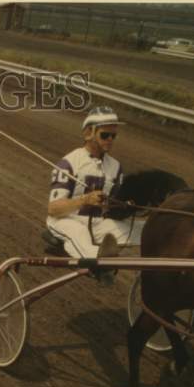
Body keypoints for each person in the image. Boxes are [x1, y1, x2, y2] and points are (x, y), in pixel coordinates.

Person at [46, 105, 140, 285]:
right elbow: (53, 209)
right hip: (66, 221)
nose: (110, 140)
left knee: (140, 230)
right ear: (89, 133)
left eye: (114, 136)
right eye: (105, 135)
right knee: (79, 233)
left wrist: (127, 206)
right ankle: (99, 264)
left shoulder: (115, 167)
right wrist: (84, 200)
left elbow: (113, 210)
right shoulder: (69, 163)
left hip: (98, 223)